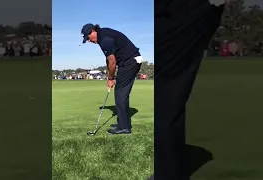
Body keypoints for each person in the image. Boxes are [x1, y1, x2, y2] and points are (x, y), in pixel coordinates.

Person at [152, 0, 227, 180]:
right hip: (178, 9)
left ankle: (166, 174)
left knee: (164, 94)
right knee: (164, 93)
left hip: (185, 8)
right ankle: (166, 170)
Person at [81, 23, 143, 135]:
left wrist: (110, 78)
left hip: (130, 62)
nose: (89, 41)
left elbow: (112, 62)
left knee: (120, 93)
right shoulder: (102, 36)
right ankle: (123, 123)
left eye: (88, 38)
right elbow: (109, 59)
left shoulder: (104, 39)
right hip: (128, 62)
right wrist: (111, 77)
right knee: (120, 93)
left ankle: (124, 128)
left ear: (93, 31)